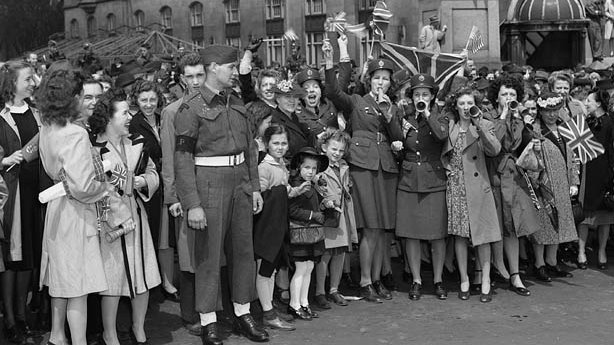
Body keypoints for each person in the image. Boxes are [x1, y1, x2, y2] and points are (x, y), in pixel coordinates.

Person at [174, 44, 268, 345]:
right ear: (214, 67)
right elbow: (182, 158)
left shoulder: (236, 102)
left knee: (243, 251)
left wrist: (254, 187)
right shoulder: (191, 107)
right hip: (209, 184)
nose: (234, 74)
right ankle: (209, 320)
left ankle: (242, 311)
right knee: (209, 255)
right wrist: (193, 204)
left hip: (240, 181)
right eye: (230, 68)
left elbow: (250, 149)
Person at [36, 69, 124, 345]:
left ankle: (58, 337)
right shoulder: (74, 132)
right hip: (76, 214)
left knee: (63, 282)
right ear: (71, 98)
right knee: (78, 288)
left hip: (57, 211)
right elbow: (83, 186)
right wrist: (104, 187)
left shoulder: (48, 127)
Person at [323, 38, 404, 303]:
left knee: (382, 228)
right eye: (377, 78)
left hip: (385, 167)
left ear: (390, 83)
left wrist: (389, 115)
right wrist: (332, 58)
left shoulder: (392, 107)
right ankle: (365, 281)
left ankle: (379, 278)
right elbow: (334, 93)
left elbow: (396, 136)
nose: (381, 82)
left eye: (385, 79)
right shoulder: (358, 101)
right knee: (370, 227)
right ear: (369, 80)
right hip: (363, 166)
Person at [89, 88, 162, 345]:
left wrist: (143, 180)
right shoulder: (94, 148)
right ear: (108, 118)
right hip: (110, 221)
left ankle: (138, 327)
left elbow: (153, 174)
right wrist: (118, 213)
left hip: (137, 216)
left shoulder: (138, 142)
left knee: (142, 275)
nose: (130, 116)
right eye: (124, 113)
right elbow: (98, 187)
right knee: (112, 279)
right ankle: (110, 333)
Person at [441, 87, 501, 303]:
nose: (466, 107)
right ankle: (464, 279)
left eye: (470, 103)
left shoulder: (484, 124)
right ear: (455, 107)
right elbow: (443, 153)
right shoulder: (450, 126)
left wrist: (479, 124)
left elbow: (495, 149)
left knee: (483, 237)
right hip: (457, 186)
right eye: (462, 104)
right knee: (459, 236)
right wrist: (448, 168)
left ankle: (485, 280)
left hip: (478, 187)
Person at [160, 52, 204, 335]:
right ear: (181, 79)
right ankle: (189, 314)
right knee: (188, 256)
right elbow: (168, 158)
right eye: (189, 76)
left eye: (200, 74)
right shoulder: (171, 112)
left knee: (211, 254)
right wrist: (173, 198)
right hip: (186, 194)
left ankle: (211, 309)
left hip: (214, 189)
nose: (196, 81)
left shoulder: (216, 106)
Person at [395, 74, 449, 301]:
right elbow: (398, 143)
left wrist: (427, 113)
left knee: (437, 235)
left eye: (425, 94)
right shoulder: (404, 117)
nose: (420, 97)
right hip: (409, 182)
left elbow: (441, 135)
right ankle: (416, 279)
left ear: (432, 96)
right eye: (417, 94)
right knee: (411, 235)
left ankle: (437, 279)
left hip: (433, 180)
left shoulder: (441, 116)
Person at [0, 61, 42, 343]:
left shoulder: (37, 113)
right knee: (11, 258)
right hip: (9, 195)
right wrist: (3, 160)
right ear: (11, 82)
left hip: (35, 192)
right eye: (27, 79)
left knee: (28, 253)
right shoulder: (0, 116)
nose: (32, 83)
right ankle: (10, 318)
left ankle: (23, 313)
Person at [485, 75, 536, 297]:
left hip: (512, 175)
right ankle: (497, 266)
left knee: (513, 226)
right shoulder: (488, 115)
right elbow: (493, 142)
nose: (508, 98)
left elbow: (522, 143)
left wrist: (521, 119)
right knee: (495, 225)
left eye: (512, 94)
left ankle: (515, 274)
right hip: (492, 174)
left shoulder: (520, 118)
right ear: (496, 97)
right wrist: (504, 115)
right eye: (504, 94)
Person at [523, 92, 579, 282]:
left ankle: (552, 261)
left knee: (559, 222)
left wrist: (574, 181)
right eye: (548, 110)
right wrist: (535, 179)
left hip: (563, 183)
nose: (552, 114)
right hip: (543, 183)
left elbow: (574, 157)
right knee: (544, 224)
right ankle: (539, 264)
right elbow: (530, 159)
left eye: (555, 110)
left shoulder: (566, 128)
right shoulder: (535, 130)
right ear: (541, 111)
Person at [253, 124, 295, 331]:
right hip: (266, 228)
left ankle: (269, 309)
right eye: (276, 143)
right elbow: (259, 198)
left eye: (283, 143)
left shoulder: (281, 165)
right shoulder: (264, 167)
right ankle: (268, 314)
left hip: (279, 227)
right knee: (264, 271)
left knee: (271, 271)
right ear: (267, 145)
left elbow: (285, 191)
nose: (280, 147)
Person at [313, 129, 358, 308]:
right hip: (327, 213)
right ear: (324, 147)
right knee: (325, 254)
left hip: (342, 213)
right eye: (334, 149)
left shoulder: (344, 166)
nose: (337, 153)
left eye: (340, 150)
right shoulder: (318, 166)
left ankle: (334, 289)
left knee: (340, 253)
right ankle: (319, 292)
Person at [286, 147, 328, 320]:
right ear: (299, 167)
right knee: (301, 268)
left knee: (309, 267)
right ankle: (294, 304)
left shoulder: (312, 186)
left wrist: (326, 205)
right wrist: (313, 215)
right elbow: (292, 210)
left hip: (311, 233)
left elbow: (316, 203)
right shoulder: (296, 185)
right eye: (307, 168)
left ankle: (304, 302)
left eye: (313, 168)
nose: (310, 172)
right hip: (300, 233)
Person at [577, 89, 614, 270]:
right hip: (587, 172)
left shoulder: (610, 122)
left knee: (605, 216)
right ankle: (581, 251)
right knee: (585, 215)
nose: (586, 103)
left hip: (605, 172)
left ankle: (601, 251)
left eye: (589, 100)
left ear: (598, 103)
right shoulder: (586, 121)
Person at [270, 80, 313, 159]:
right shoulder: (274, 120)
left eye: (295, 97)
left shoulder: (297, 118)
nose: (292, 101)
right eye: (287, 96)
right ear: (278, 99)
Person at [295, 67, 339, 138]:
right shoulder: (298, 116)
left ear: (321, 91)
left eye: (315, 87)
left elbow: (339, 88)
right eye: (306, 88)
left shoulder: (330, 104)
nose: (311, 90)